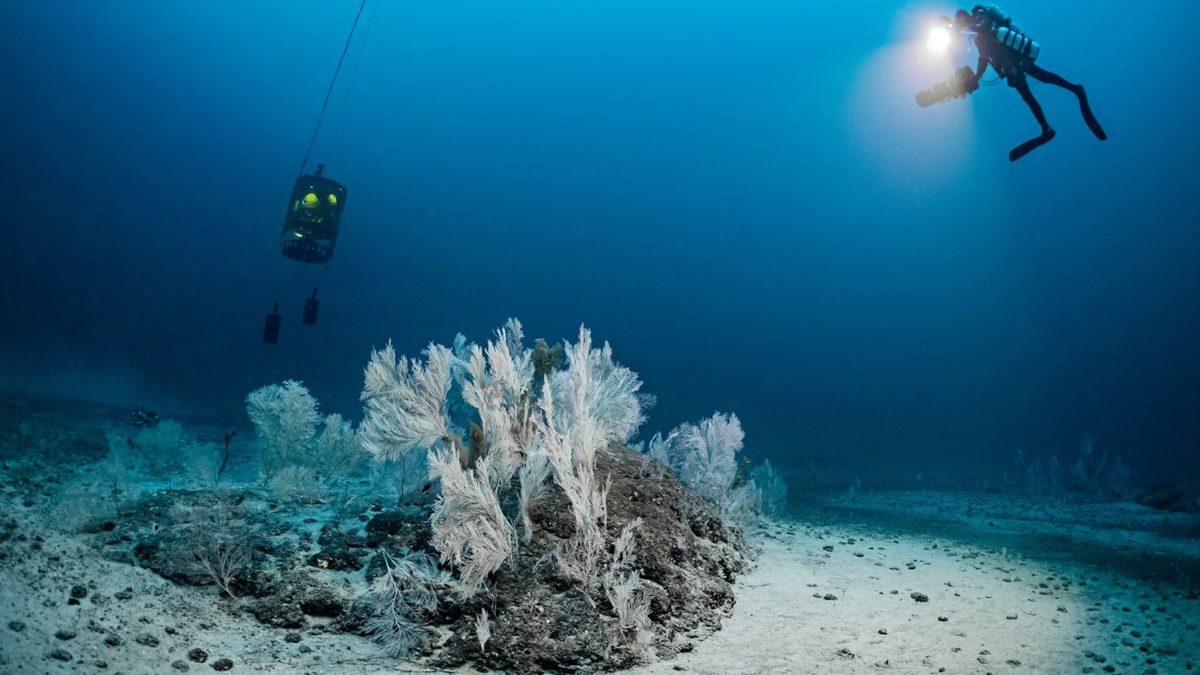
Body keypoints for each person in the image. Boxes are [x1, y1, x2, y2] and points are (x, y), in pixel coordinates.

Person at [953, 6, 1107, 161]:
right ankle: (1046, 127)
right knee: (1028, 95)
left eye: (961, 20)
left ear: (965, 16)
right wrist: (976, 77)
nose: (961, 24)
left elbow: (986, 28)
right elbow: (983, 58)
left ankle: (1075, 89)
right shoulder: (976, 36)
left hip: (1015, 59)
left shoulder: (980, 16)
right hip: (1010, 67)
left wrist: (964, 28)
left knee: (1043, 78)